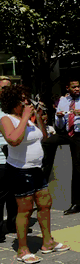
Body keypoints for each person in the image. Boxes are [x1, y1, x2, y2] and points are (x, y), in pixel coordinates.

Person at [0, 85, 70, 264]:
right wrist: (25, 118)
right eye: (23, 100)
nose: (27, 102)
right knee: (25, 209)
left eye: (27, 99)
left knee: (45, 204)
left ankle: (48, 242)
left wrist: (37, 118)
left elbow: (44, 137)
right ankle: (22, 249)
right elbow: (13, 140)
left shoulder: (28, 120)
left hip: (36, 168)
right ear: (13, 102)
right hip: (20, 170)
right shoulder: (7, 119)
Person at [41, 79, 80, 215]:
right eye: (74, 87)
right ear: (67, 88)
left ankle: (77, 203)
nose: (77, 89)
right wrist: (59, 118)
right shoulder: (63, 101)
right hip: (68, 132)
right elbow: (59, 124)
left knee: (77, 163)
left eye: (78, 86)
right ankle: (44, 175)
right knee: (47, 142)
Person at [0, 76, 16, 243]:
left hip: (15, 158)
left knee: (14, 195)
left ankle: (13, 224)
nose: (6, 91)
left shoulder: (13, 108)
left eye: (8, 88)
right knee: (0, 197)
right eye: (3, 88)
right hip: (1, 159)